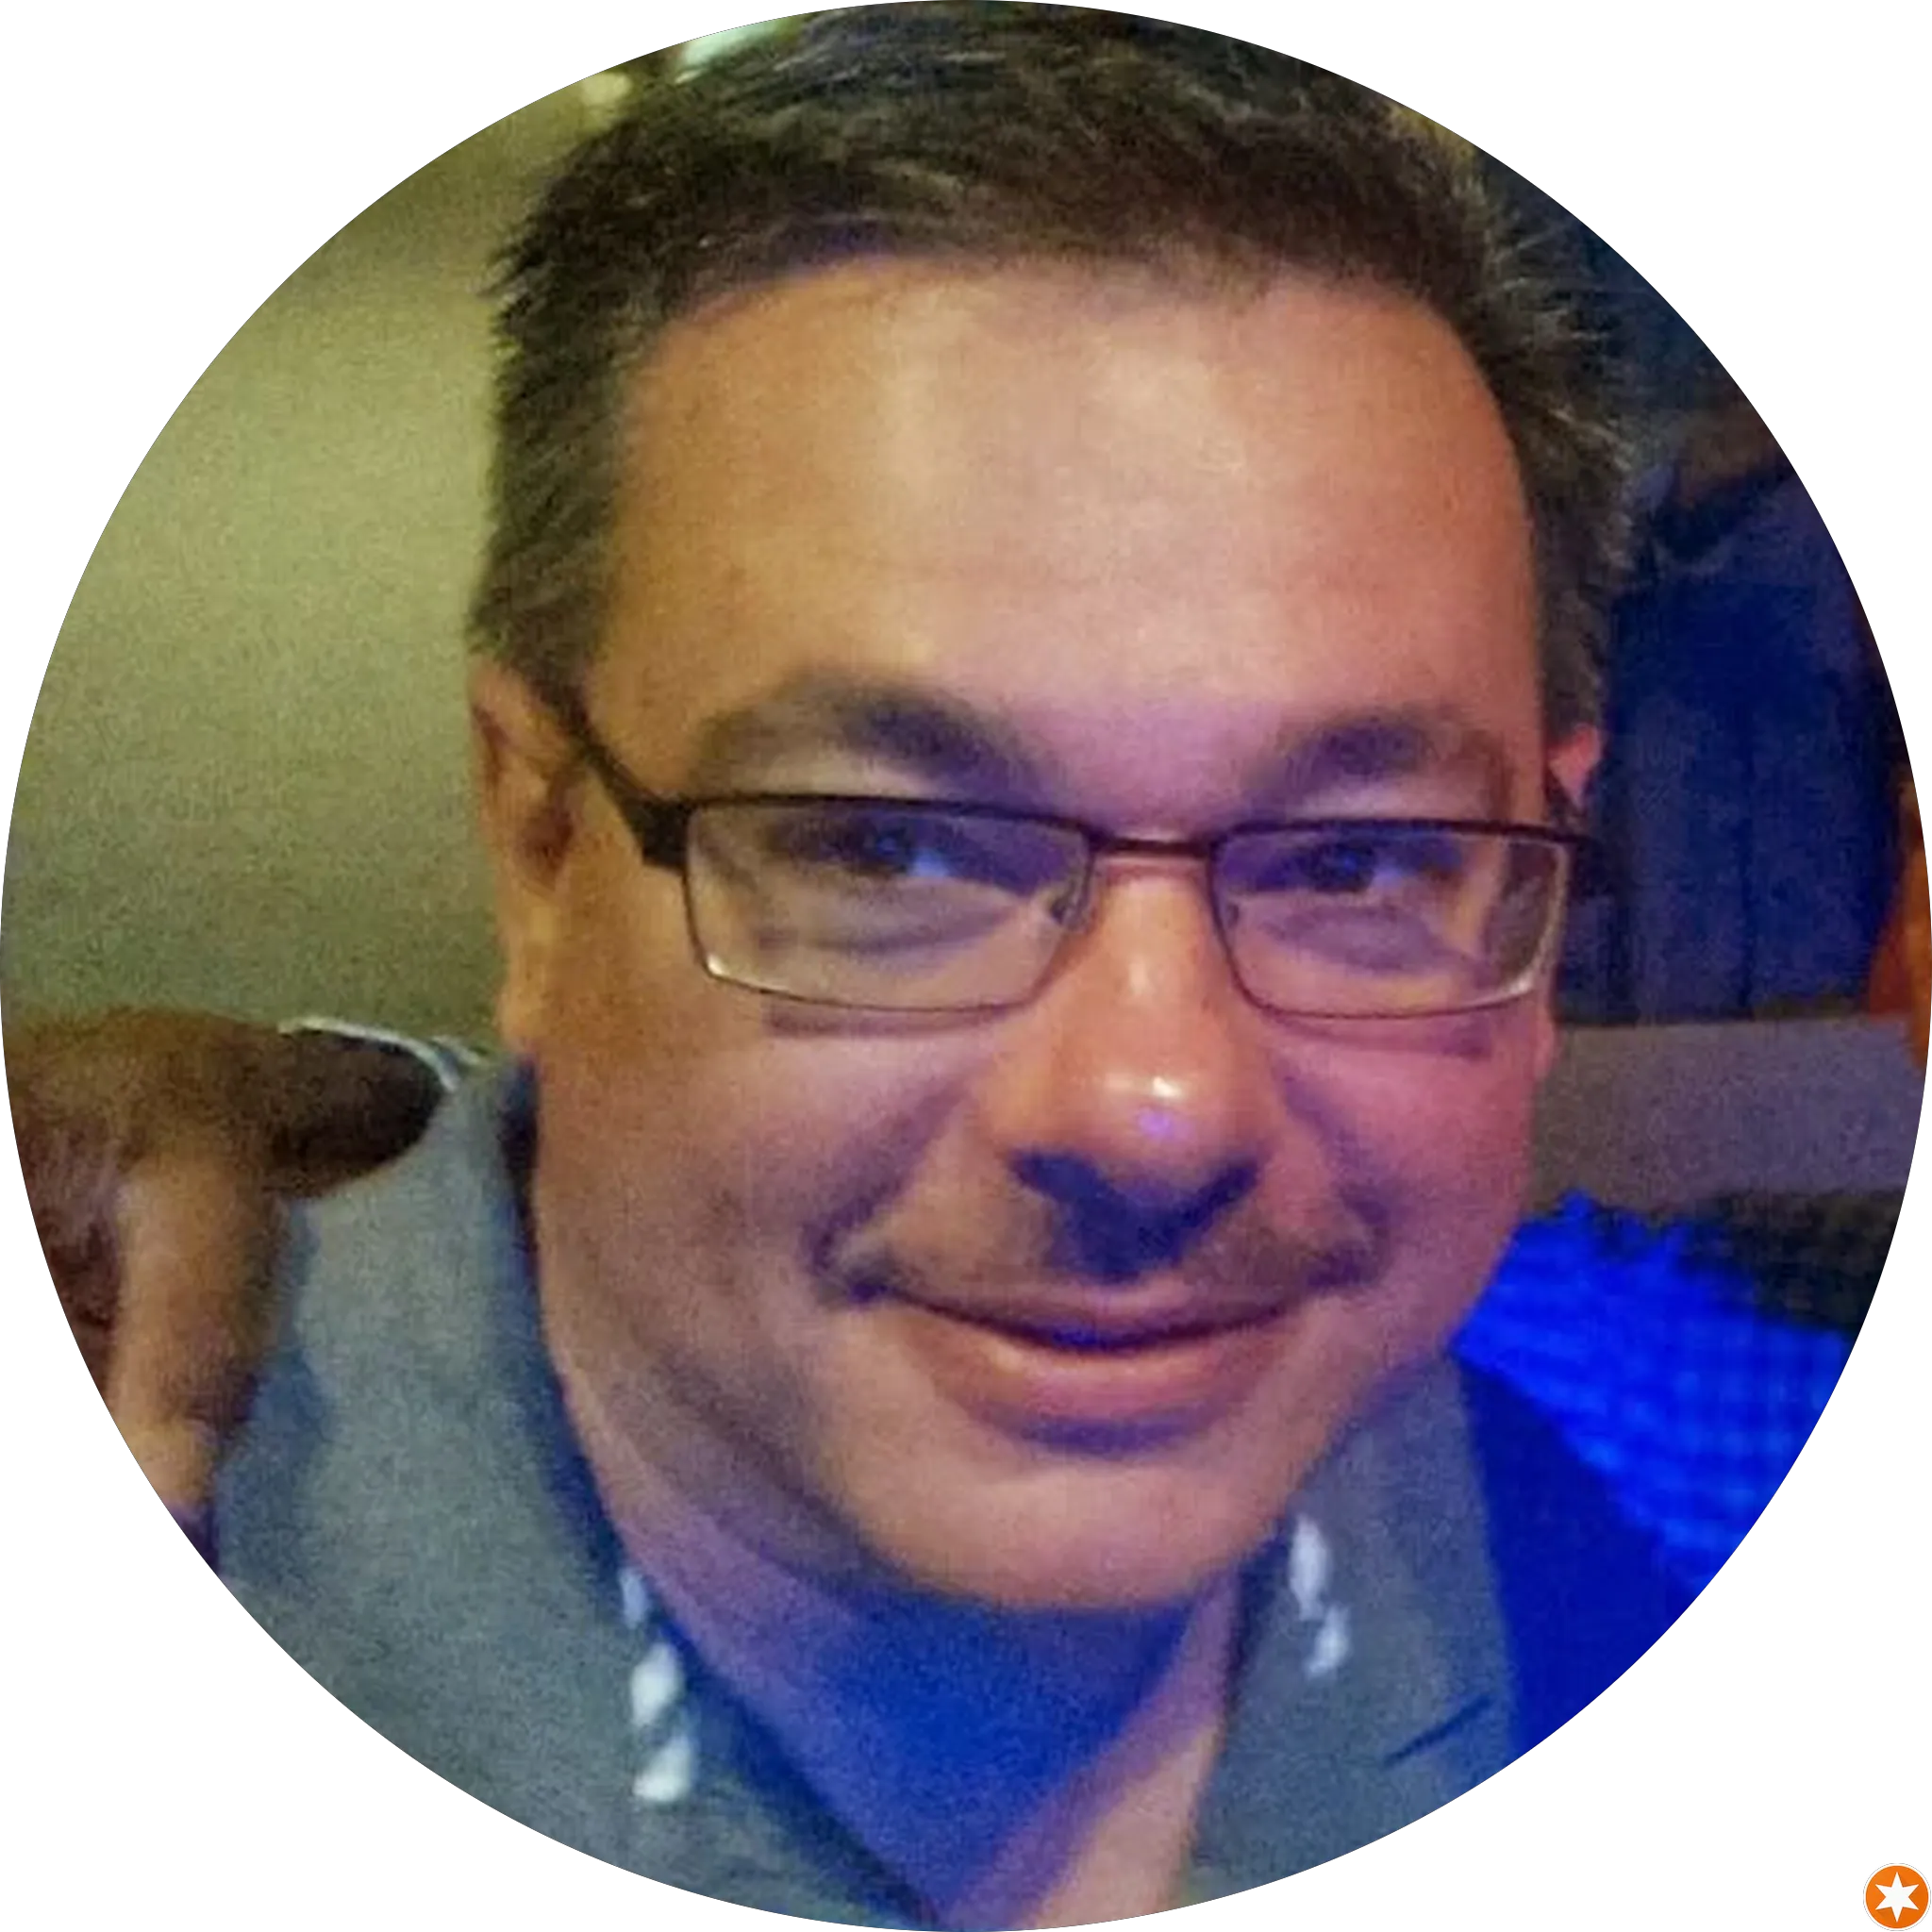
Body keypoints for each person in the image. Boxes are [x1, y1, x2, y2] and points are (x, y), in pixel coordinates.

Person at [11, 12, 1690, 1922]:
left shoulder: (1540, 1539)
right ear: (540, 851)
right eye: (886, 847)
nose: (1153, 1110)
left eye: (1357, 859)